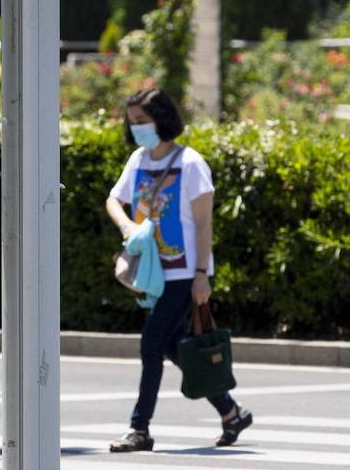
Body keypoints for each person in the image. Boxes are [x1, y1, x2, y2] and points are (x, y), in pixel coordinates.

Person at [104, 87, 252, 453]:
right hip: (153, 272)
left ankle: (139, 429)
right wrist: (126, 226)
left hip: (184, 271)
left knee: (151, 342)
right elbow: (114, 199)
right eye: (133, 122)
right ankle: (231, 412)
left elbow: (203, 225)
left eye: (143, 121)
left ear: (162, 119)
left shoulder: (191, 164)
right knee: (172, 345)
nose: (137, 128)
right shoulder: (138, 161)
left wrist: (201, 274)